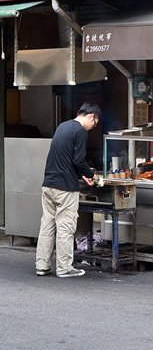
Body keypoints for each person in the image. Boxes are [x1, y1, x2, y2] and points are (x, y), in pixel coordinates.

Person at [35, 103, 102, 278]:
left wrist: (82, 174)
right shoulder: (80, 131)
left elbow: (66, 158)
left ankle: (42, 266)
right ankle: (64, 268)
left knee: (47, 226)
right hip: (64, 187)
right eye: (94, 123)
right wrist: (92, 175)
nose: (93, 127)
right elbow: (78, 160)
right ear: (91, 116)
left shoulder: (63, 126)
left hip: (48, 184)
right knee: (66, 226)